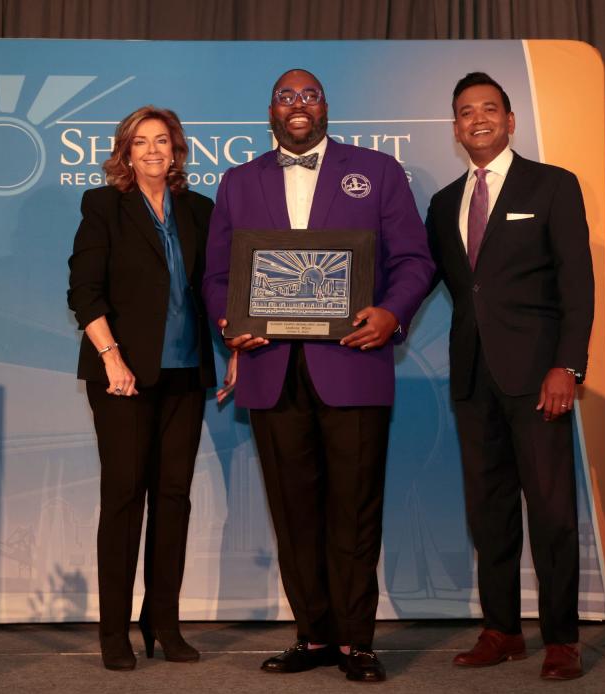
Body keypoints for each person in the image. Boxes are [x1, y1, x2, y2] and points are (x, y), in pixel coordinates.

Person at [202, 68, 434, 683]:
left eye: (308, 95)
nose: (297, 105)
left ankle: (357, 641)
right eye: (285, 96)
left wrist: (392, 314)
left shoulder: (378, 172)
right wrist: (230, 321)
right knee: (293, 511)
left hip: (352, 366)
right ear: (271, 110)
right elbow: (218, 276)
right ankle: (312, 636)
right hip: (271, 370)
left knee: (354, 510)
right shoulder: (237, 181)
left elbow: (414, 259)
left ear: (325, 106)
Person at [425, 72, 594, 681]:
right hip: (473, 380)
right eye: (465, 111)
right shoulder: (445, 203)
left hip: (538, 377)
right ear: (455, 127)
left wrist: (567, 366)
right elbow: (435, 283)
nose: (477, 119)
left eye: (489, 109)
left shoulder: (551, 186)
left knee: (551, 512)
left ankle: (561, 639)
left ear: (510, 120)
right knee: (488, 511)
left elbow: (578, 285)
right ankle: (502, 629)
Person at [67, 105, 216, 671]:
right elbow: (84, 290)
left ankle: (164, 624)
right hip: (121, 377)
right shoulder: (104, 205)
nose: (153, 150)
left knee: (173, 499)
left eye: (163, 141)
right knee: (125, 499)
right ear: (125, 152)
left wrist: (234, 350)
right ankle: (113, 632)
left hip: (185, 373)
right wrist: (112, 357)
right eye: (141, 142)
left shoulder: (199, 209)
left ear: (177, 150)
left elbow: (215, 291)